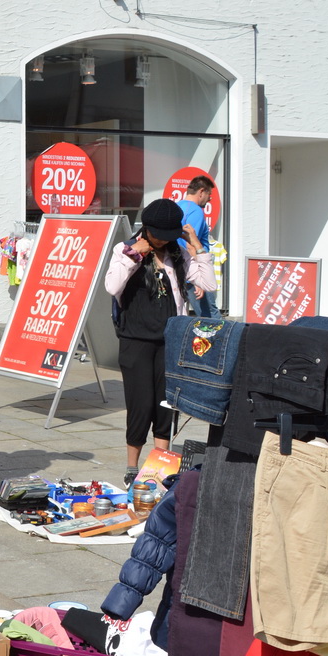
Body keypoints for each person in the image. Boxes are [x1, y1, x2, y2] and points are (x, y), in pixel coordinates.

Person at [104, 198, 215, 488]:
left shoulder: (178, 252)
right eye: (160, 235)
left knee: (166, 404)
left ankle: (161, 466)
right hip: (135, 340)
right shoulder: (125, 249)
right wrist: (134, 255)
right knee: (140, 404)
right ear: (147, 229)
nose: (164, 241)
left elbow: (209, 284)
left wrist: (197, 246)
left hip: (170, 339)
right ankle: (132, 467)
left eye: (169, 235)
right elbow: (112, 286)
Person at [177, 176, 218, 316]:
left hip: (180, 269)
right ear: (201, 192)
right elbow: (191, 243)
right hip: (193, 271)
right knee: (210, 316)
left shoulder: (178, 207)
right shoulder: (195, 211)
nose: (210, 198)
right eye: (209, 194)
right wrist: (198, 279)